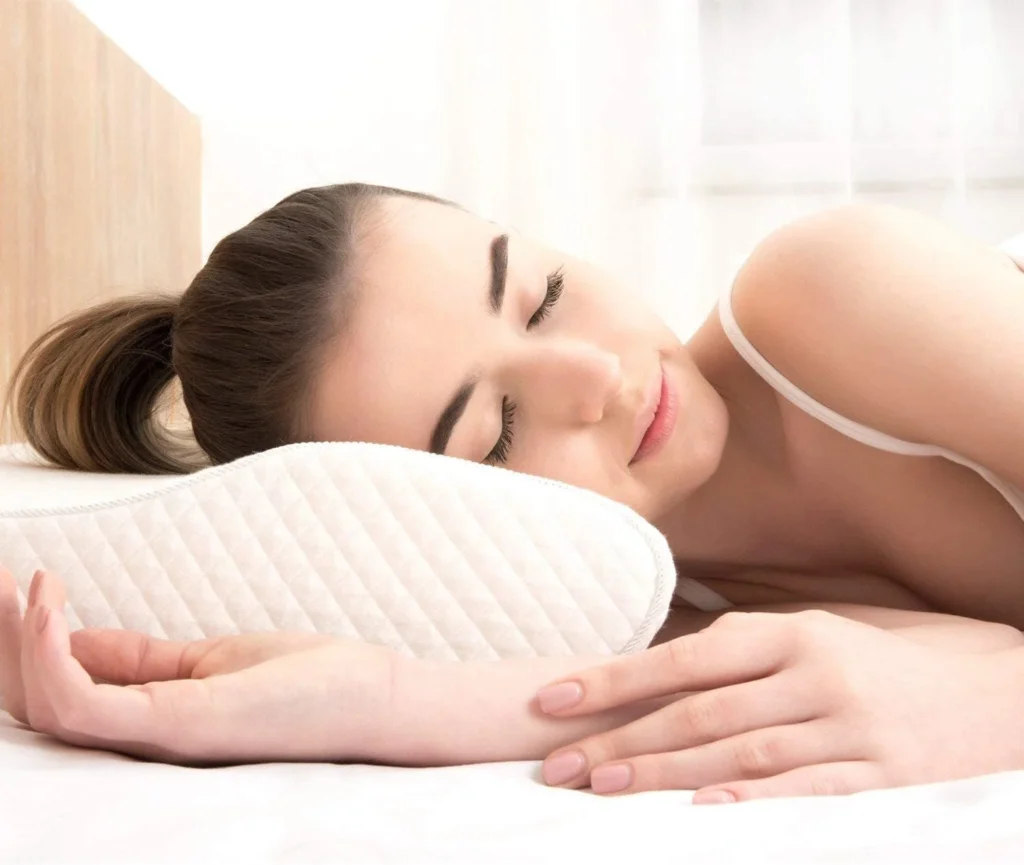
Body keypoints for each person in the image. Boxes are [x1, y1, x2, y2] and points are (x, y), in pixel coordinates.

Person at [3, 184, 1024, 803]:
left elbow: (973, 689)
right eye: (495, 433)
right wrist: (350, 701)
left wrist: (979, 709)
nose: (589, 376)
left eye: (544, 296)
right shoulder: (642, 622)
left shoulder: (832, 293)